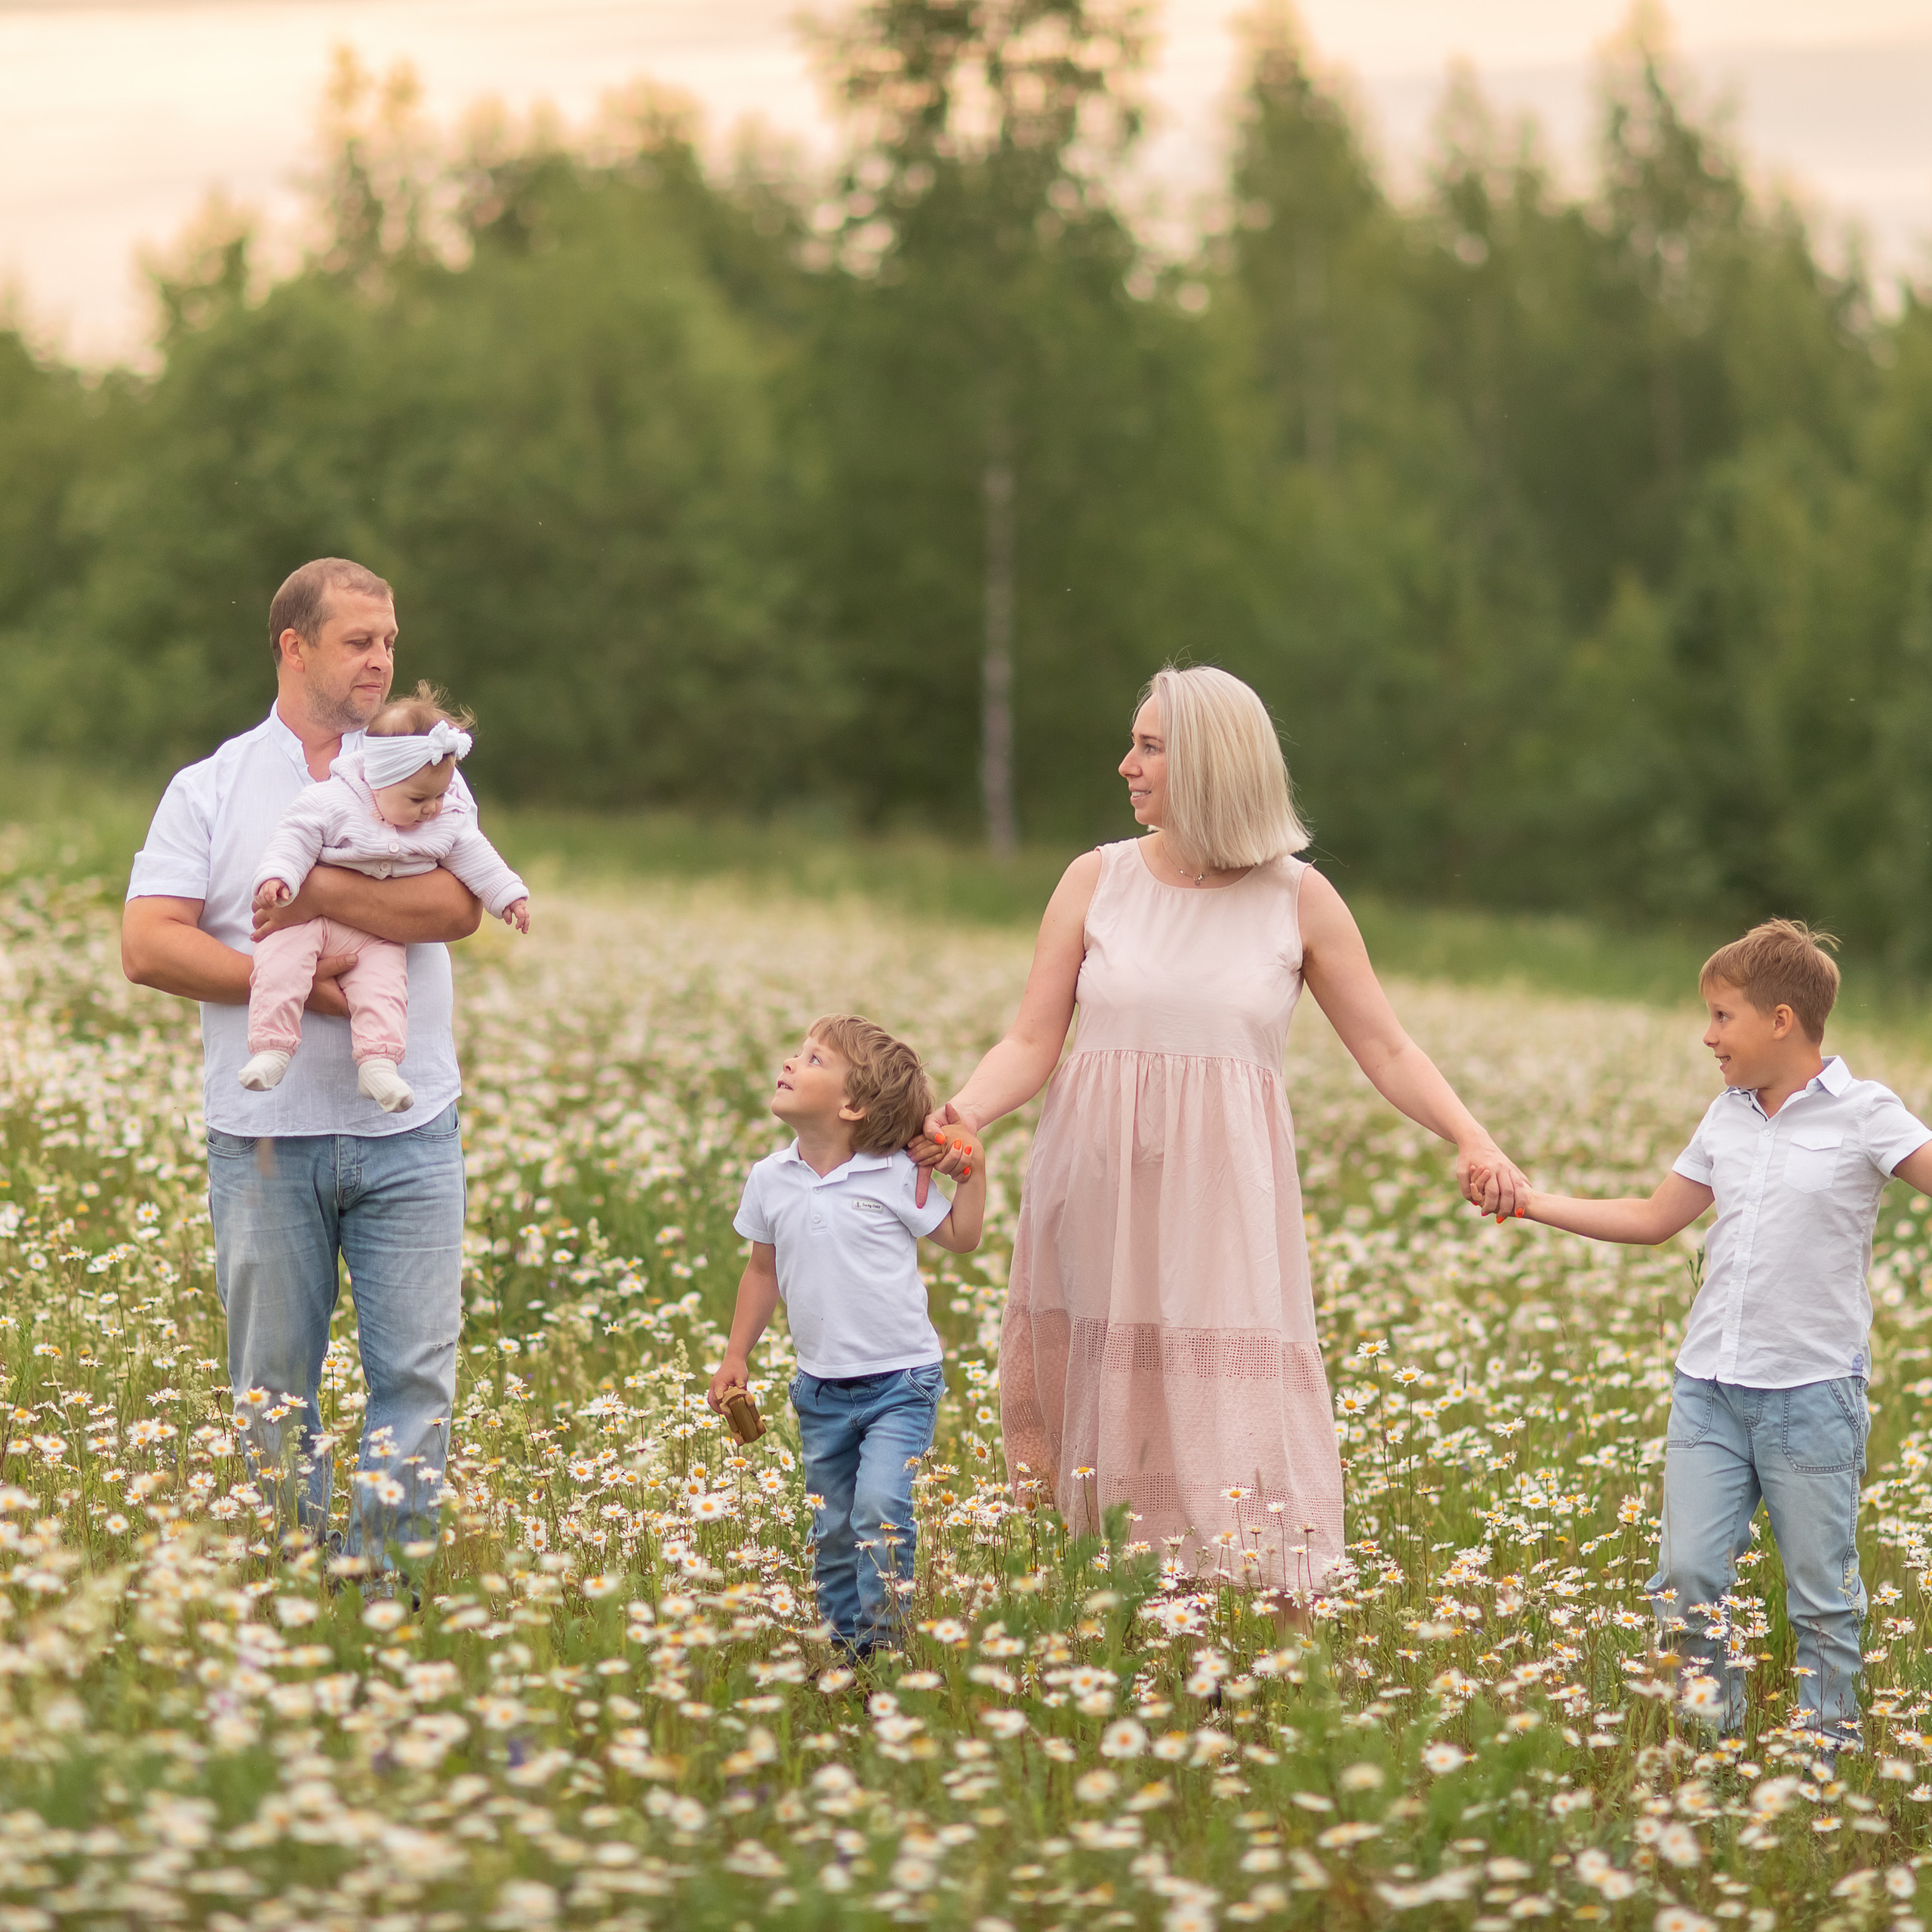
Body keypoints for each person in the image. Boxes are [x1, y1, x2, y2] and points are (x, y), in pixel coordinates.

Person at [915, 666, 1527, 1600]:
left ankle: (1270, 1625)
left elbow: (1388, 1047)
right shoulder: (1095, 879)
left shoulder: (1298, 898)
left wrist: (1471, 1137)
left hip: (1222, 1200)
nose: (1125, 765)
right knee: (1099, 1394)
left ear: (1209, 763)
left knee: (1227, 1398)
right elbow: (1031, 1041)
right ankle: (1111, 1606)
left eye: (1149, 747)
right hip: (1098, 1188)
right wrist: (962, 1111)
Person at [122, 557, 481, 1572]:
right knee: (274, 1386)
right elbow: (148, 944)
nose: (381, 660)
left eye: (389, 641)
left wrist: (318, 892)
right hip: (265, 1140)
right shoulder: (213, 786)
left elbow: (456, 906)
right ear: (293, 646)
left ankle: (385, 1591)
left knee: (417, 1378)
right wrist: (286, 984)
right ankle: (296, 1582)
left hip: (410, 1127)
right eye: (358, 641)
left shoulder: (420, 758)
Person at [1509, 919, 1932, 1752]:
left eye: (1721, 1016)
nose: (1707, 1036)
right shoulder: (1725, 1115)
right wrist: (1528, 1202)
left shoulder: (1865, 1113)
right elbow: (1651, 1219)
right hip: (1708, 1388)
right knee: (1687, 1576)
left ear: (1781, 1019)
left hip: (1811, 1392)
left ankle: (1827, 1753)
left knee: (1822, 1595)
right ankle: (1707, 1745)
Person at [709, 1016, 987, 1657]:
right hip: (820, 1389)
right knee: (833, 1527)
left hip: (901, 1382)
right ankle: (845, 1650)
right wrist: (735, 1354)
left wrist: (972, 1174)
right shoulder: (770, 1177)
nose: (790, 1061)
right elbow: (761, 1271)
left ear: (853, 1106)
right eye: (799, 1052)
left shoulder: (894, 1174)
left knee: (880, 1509)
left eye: (814, 1059)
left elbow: (962, 1238)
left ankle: (884, 1648)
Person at [245, 681, 531, 1115]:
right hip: (305, 922)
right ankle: (272, 1048)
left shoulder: (445, 815)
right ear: (379, 781)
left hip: (377, 933)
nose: (432, 808)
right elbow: (294, 837)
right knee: (278, 964)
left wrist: (508, 895)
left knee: (384, 989)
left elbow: (477, 857)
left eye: (439, 796)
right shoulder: (331, 800)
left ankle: (378, 1064)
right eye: (419, 799)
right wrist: (279, 876)